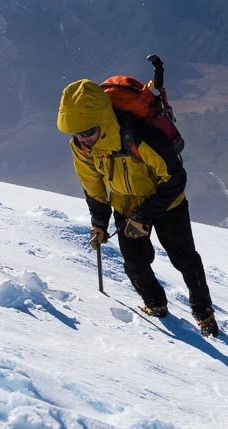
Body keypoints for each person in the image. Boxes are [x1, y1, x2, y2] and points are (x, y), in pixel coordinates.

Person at [56, 78, 219, 338]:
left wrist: (144, 216)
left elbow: (175, 179)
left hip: (167, 203)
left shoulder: (139, 136)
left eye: (87, 131)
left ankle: (204, 314)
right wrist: (99, 224)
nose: (83, 139)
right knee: (135, 263)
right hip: (126, 204)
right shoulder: (82, 148)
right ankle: (156, 305)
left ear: (103, 120)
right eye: (77, 133)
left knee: (185, 260)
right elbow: (93, 185)